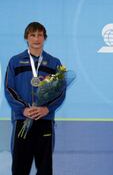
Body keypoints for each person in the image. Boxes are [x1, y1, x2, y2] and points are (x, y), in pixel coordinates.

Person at [4, 22, 65, 175]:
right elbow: (9, 89)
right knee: (19, 168)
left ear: (45, 38)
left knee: (44, 169)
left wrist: (47, 109)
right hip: (22, 120)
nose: (36, 39)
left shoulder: (54, 63)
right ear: (26, 38)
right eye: (33, 35)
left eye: (40, 35)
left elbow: (60, 91)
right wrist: (23, 109)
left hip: (44, 121)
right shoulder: (15, 61)